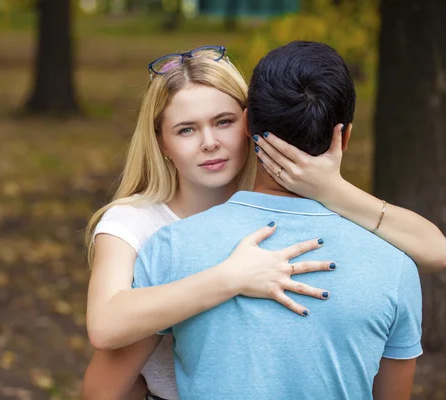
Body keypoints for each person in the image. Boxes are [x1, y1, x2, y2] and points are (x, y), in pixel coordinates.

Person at [81, 45, 446, 400]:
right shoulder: (144, 228)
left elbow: (437, 249)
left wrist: (332, 188)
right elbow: (105, 332)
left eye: (223, 122)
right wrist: (231, 277)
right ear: (159, 140)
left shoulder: (179, 246)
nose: (210, 143)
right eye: (186, 129)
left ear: (247, 124)